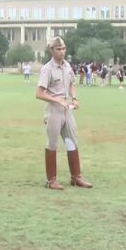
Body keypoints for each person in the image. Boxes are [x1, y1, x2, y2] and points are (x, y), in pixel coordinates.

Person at [36, 36, 92, 190]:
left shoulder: (67, 66)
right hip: (54, 110)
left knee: (72, 141)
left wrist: (74, 98)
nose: (62, 52)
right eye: (58, 49)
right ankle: (51, 180)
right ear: (52, 50)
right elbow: (39, 93)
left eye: (64, 48)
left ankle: (76, 176)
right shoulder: (47, 69)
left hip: (67, 110)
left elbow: (72, 84)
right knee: (52, 144)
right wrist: (57, 100)